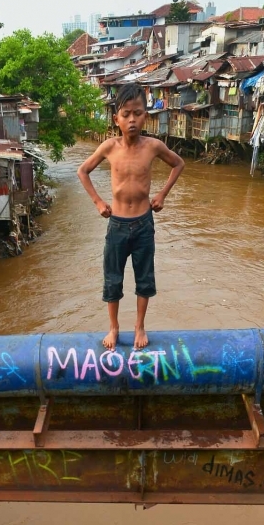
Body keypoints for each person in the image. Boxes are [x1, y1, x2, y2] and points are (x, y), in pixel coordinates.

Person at [77, 83, 185, 352]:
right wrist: (98, 201)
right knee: (113, 279)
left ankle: (139, 326)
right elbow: (83, 171)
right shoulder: (109, 147)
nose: (132, 119)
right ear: (117, 119)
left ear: (145, 116)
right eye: (126, 114)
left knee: (144, 279)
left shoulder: (153, 146)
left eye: (137, 113)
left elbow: (178, 163)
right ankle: (113, 327)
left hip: (143, 224)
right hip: (117, 225)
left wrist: (161, 196)